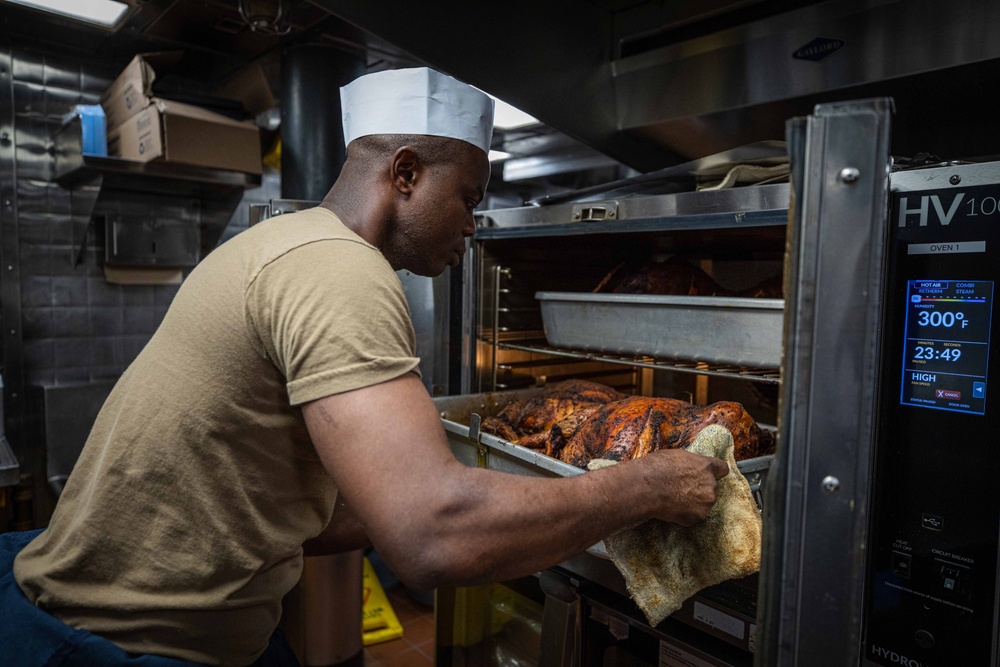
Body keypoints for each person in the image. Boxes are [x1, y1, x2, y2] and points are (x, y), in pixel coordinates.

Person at [0, 67, 728, 666]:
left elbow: (309, 507)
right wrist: (642, 486)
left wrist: (506, 492)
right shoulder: (340, 271)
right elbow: (432, 537)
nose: (474, 227)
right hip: (113, 646)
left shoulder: (287, 244)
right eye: (468, 200)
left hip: (101, 610)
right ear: (405, 173)